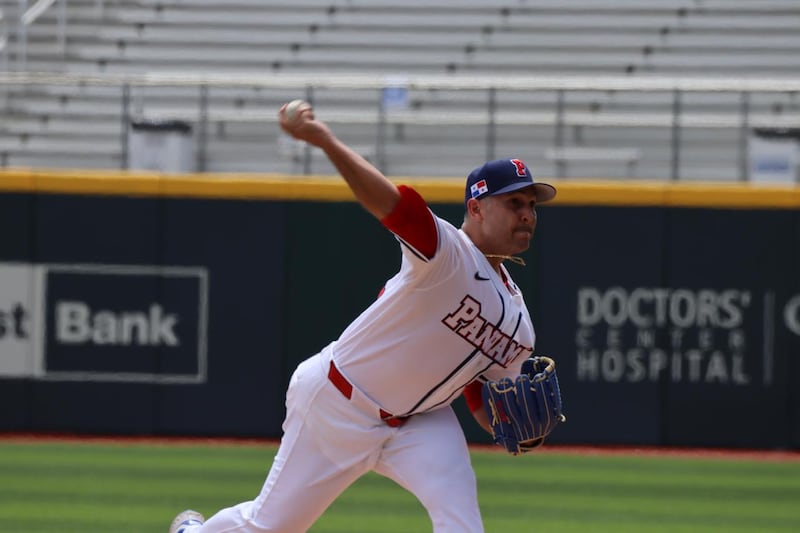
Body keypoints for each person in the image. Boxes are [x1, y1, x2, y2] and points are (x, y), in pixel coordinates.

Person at [169, 101, 557, 533]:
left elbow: (478, 395)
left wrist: (516, 427)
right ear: (477, 207)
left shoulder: (519, 321)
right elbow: (392, 205)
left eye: (532, 205)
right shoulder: (447, 253)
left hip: (422, 423)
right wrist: (325, 141)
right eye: (514, 202)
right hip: (338, 401)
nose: (527, 213)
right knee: (270, 527)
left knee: (462, 523)